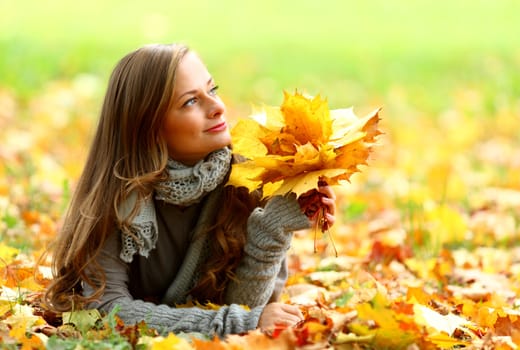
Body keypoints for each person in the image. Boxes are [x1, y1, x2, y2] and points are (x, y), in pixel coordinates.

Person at [44, 43, 336, 337]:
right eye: (190, 102)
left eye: (213, 89)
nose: (218, 107)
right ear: (148, 125)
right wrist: (236, 322)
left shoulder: (252, 179)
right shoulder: (116, 198)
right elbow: (106, 309)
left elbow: (248, 310)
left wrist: (272, 230)